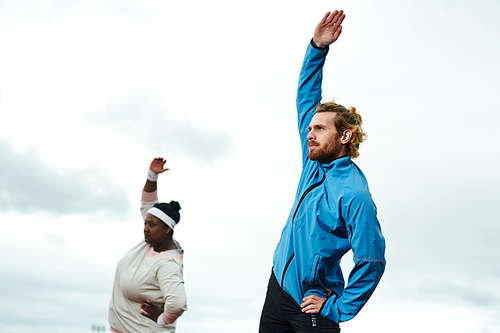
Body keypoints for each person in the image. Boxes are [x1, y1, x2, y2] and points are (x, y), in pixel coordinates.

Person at [259, 10, 386, 332]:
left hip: (312, 303)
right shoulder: (313, 164)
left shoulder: (354, 194)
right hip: (278, 290)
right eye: (309, 128)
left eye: (319, 129)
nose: (309, 134)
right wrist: (317, 47)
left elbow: (371, 260)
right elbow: (306, 98)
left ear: (344, 136)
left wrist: (338, 307)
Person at [108, 157, 187, 333]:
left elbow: (178, 303)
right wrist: (152, 176)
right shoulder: (150, 242)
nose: (145, 228)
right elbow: (147, 202)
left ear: (167, 228)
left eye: (151, 225)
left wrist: (162, 319)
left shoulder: (167, 263)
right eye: (145, 223)